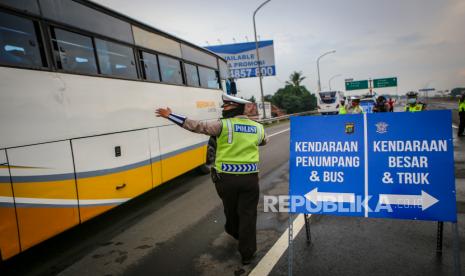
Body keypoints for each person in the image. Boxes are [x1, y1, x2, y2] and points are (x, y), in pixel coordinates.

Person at [155, 94, 267, 265]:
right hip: (250, 180)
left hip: (226, 180)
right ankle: (247, 254)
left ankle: (234, 231)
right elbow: (263, 141)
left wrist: (170, 115)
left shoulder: (222, 125)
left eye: (226, 107)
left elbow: (196, 126)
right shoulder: (258, 128)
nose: (223, 109)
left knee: (231, 211)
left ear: (234, 108)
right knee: (248, 215)